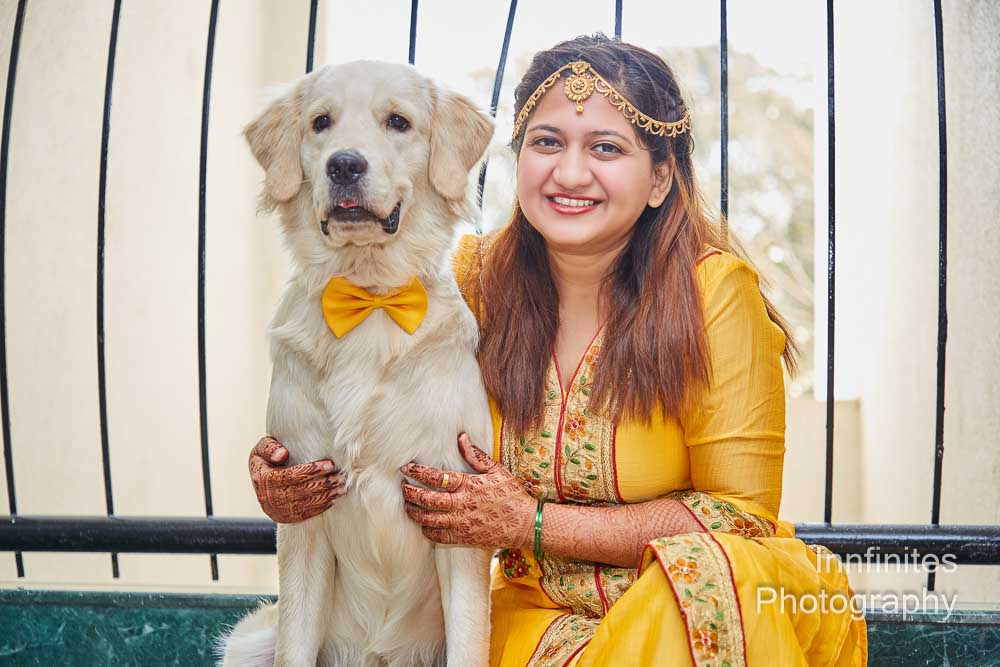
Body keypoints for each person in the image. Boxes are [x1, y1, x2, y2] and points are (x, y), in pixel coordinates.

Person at [248, 34, 868, 666]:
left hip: (681, 607)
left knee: (706, 579)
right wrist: (287, 475)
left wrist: (532, 525)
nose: (570, 173)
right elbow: (356, 411)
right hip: (535, 621)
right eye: (547, 143)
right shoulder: (469, 283)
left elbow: (739, 517)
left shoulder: (715, 295)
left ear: (660, 179)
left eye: (606, 148)